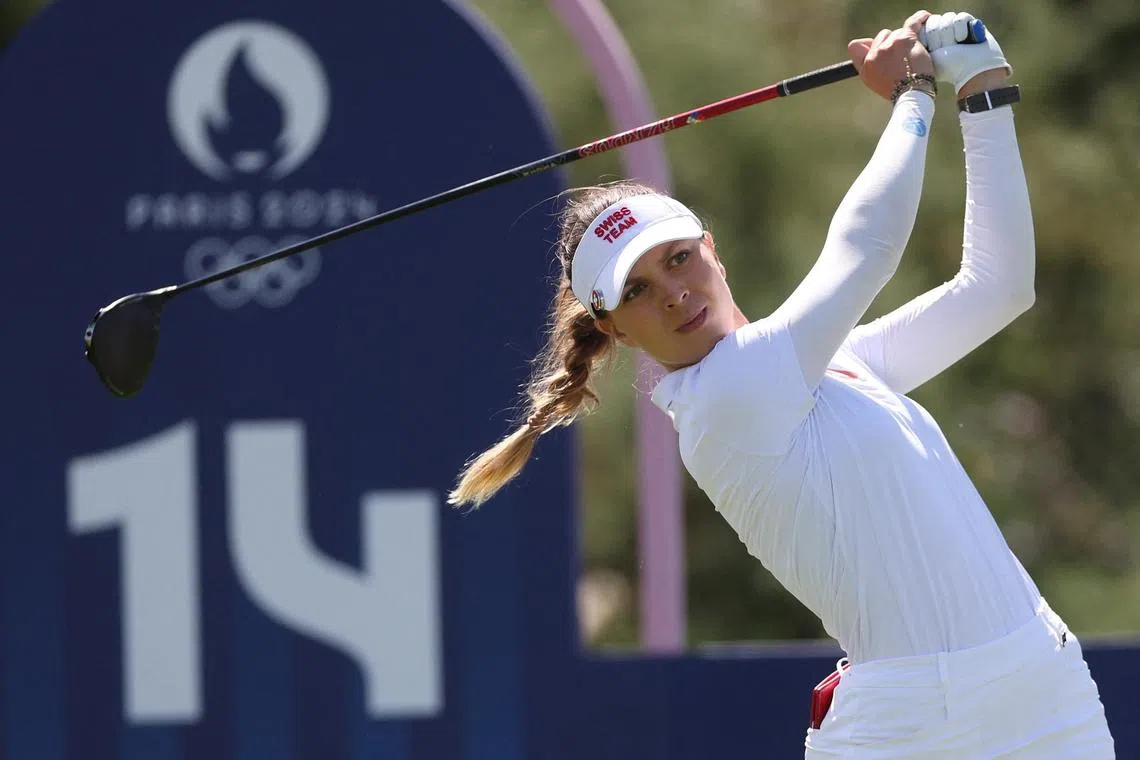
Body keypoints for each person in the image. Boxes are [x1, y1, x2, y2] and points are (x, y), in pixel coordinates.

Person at [449, 9, 1116, 758]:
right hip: (909, 729)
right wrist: (914, 96)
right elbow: (867, 249)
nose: (670, 294)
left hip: (1043, 684)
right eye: (635, 292)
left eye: (674, 259)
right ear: (614, 331)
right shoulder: (724, 400)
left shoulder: (837, 364)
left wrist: (986, 93)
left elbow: (998, 288)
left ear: (711, 249)